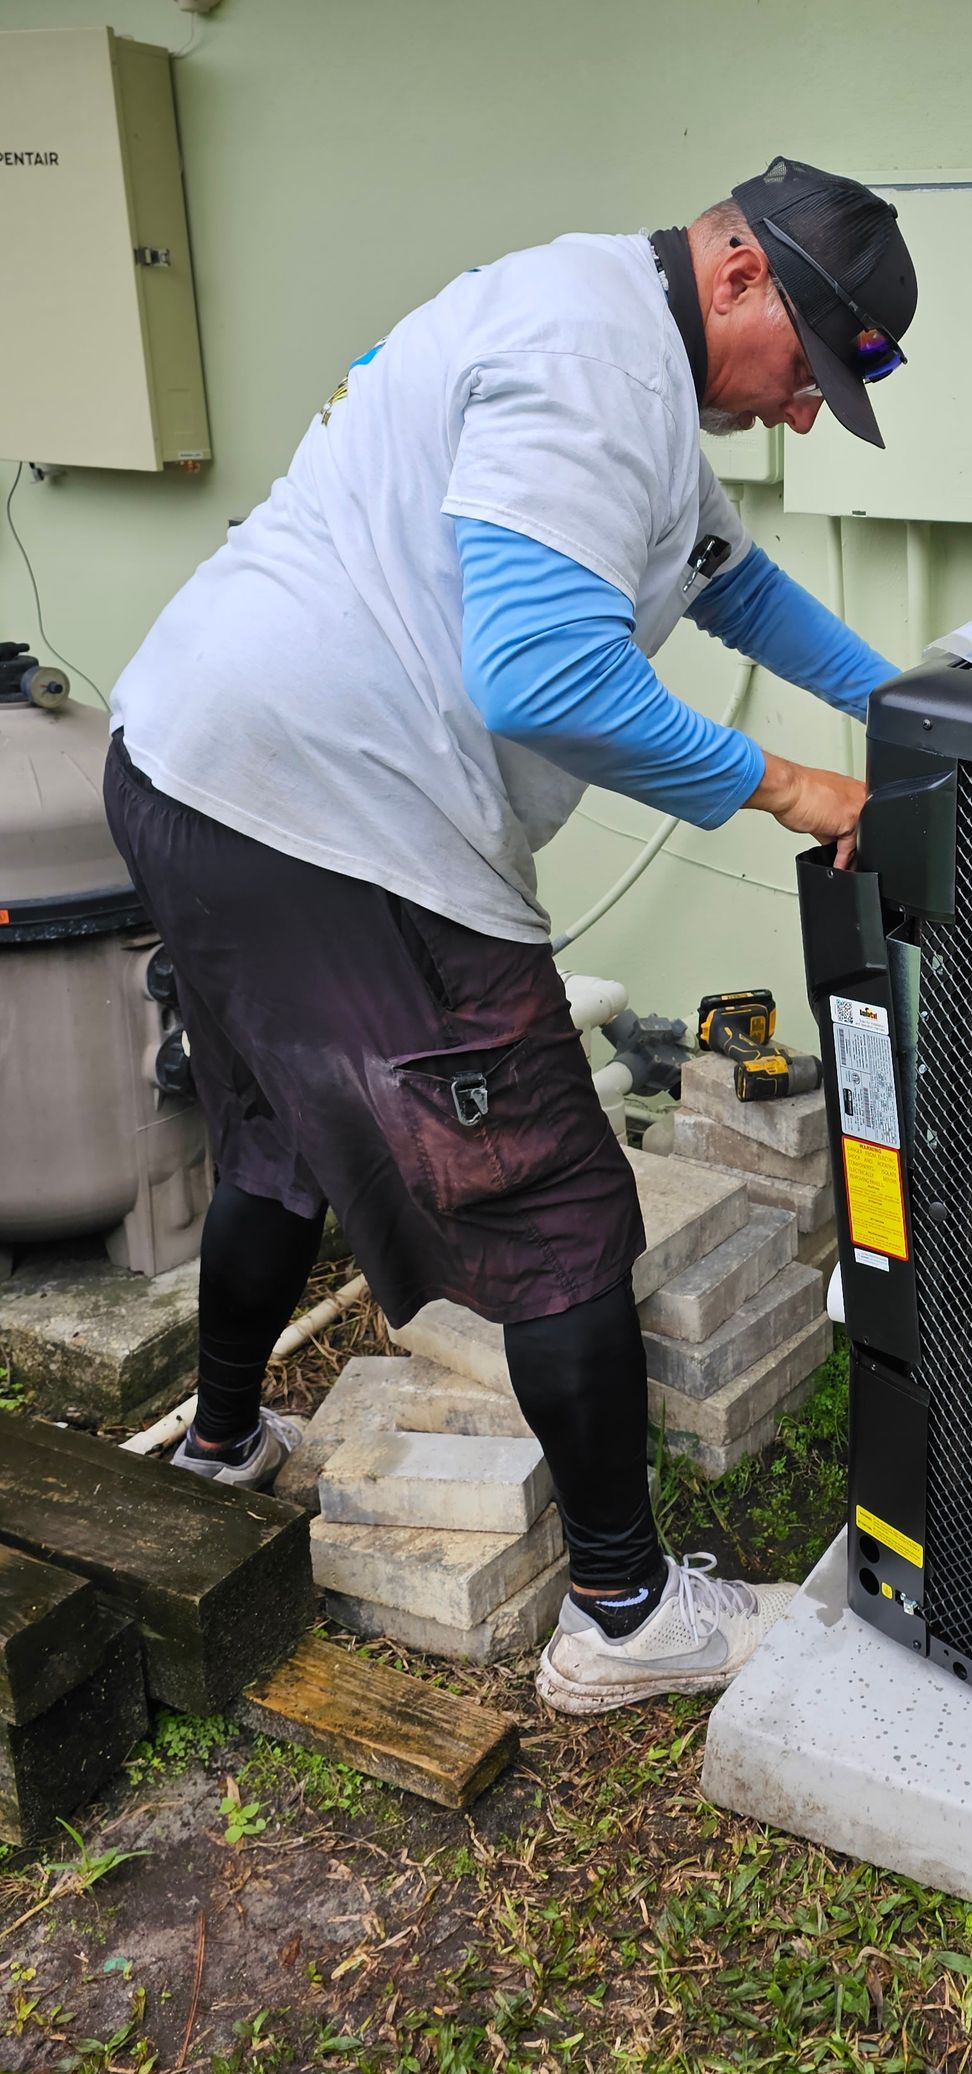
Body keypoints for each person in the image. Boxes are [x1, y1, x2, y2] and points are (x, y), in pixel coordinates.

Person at [103, 157, 916, 1714]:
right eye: (807, 376)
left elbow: (733, 594)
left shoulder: (594, 322)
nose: (804, 413)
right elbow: (542, 683)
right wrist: (805, 787)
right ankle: (622, 1618)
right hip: (342, 817)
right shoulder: (603, 368)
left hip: (185, 769)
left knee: (274, 1127)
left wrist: (912, 709)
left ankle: (219, 1445)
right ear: (742, 273)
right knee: (552, 1204)